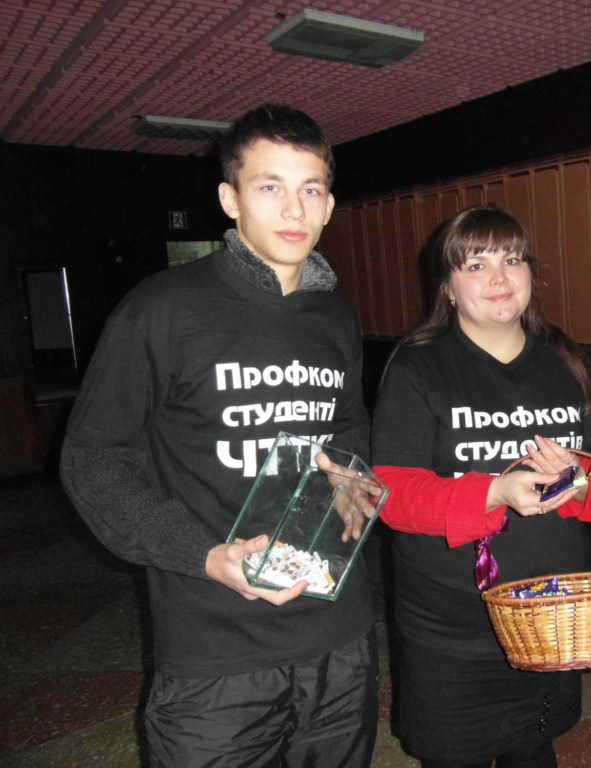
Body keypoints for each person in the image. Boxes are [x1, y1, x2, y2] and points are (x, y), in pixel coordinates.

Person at [60, 103, 379, 767]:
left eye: (310, 190)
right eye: (269, 186)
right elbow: (94, 460)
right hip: (215, 652)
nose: (293, 209)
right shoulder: (161, 309)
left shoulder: (336, 319)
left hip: (338, 637)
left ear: (328, 206)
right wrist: (203, 555)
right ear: (230, 200)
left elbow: (348, 426)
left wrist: (353, 480)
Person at [371, 205, 591, 768]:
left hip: (551, 616)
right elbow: (390, 494)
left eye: (512, 259)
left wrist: (580, 481)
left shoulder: (567, 361)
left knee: (534, 751)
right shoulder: (418, 368)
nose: (499, 278)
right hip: (453, 629)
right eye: (476, 265)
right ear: (448, 288)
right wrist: (495, 493)